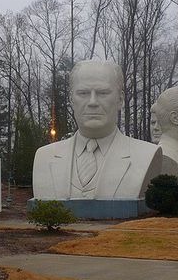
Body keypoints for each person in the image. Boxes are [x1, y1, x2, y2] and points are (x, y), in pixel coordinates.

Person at [32, 60, 162, 200]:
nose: (92, 102)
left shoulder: (145, 155)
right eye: (83, 93)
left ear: (120, 99)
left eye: (103, 93)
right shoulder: (44, 157)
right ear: (71, 99)